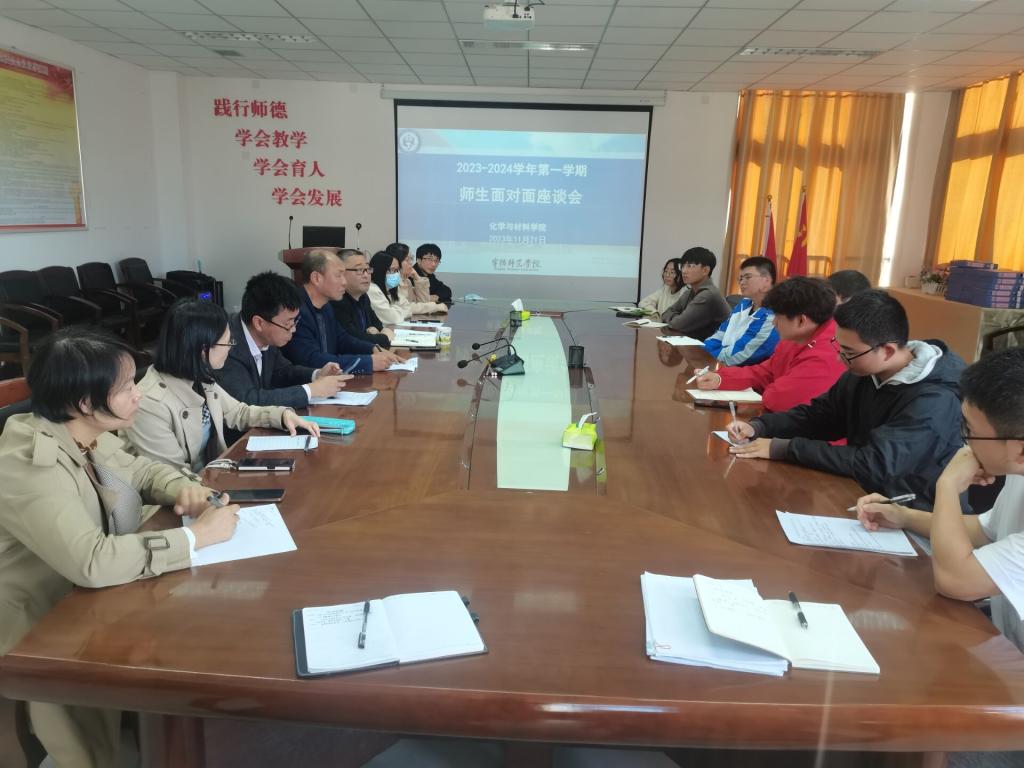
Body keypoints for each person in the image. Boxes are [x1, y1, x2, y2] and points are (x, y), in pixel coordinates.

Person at [0, 327, 239, 768]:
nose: (138, 395)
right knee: (94, 747)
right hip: (45, 616)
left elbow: (140, 470)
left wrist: (184, 490)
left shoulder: (83, 430)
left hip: (95, 593)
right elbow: (91, 561)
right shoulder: (29, 463)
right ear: (84, 402)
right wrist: (195, 537)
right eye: (126, 387)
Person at [856, 348, 1024, 768]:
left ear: (1019, 450)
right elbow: (983, 531)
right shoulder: (1020, 473)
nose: (963, 442)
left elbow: (956, 581)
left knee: (902, 728)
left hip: (1013, 699)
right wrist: (903, 516)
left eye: (970, 432)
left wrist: (948, 485)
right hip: (1003, 656)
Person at [727, 289, 966, 508]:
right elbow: (821, 416)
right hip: (866, 499)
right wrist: (760, 426)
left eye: (849, 352)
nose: (840, 358)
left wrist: (786, 448)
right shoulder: (865, 371)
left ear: (888, 351)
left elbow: (875, 464)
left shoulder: (935, 399)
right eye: (839, 347)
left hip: (917, 513)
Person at [125, 299, 320, 472]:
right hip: (188, 491)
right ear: (203, 350)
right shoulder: (150, 404)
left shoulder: (198, 375)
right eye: (226, 343)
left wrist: (282, 415)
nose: (230, 349)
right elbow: (173, 478)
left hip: (213, 475)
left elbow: (238, 412)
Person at [696, 276, 844, 413]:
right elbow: (765, 372)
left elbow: (779, 400)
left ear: (801, 320)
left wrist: (770, 389)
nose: (773, 323)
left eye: (778, 317)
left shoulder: (830, 351)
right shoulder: (798, 336)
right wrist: (721, 379)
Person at [218, 271, 353, 412]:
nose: (293, 329)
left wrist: (317, 375)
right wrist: (310, 390)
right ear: (259, 323)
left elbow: (284, 372)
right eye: (288, 324)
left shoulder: (266, 336)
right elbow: (247, 401)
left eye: (295, 321)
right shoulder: (226, 344)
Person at [282, 249, 401, 374]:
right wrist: (368, 362)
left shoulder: (326, 306)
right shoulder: (295, 309)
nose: (344, 282)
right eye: (338, 276)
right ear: (316, 278)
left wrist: (373, 349)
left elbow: (342, 339)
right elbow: (310, 359)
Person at [703, 256, 779, 366]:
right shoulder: (744, 303)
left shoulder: (772, 317)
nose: (742, 282)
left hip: (743, 372)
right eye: (740, 278)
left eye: (747, 277)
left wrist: (707, 355)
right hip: (718, 364)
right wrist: (704, 351)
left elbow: (737, 356)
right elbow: (721, 333)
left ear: (766, 281)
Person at [660, 247, 731, 340]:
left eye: (690, 266)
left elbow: (677, 324)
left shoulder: (708, 295)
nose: (683, 271)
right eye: (683, 266)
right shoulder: (689, 292)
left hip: (712, 347)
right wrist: (678, 318)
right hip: (693, 343)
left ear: (705, 270)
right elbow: (665, 313)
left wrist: (676, 318)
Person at [332, 249, 394, 349]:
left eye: (368, 269)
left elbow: (378, 326)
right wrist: (384, 337)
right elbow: (354, 339)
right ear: (341, 273)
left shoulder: (363, 297)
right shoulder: (337, 301)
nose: (366, 275)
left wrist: (376, 333)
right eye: (359, 270)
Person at [388, 242, 448, 315]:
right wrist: (435, 307)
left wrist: (418, 278)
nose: (411, 262)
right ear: (395, 262)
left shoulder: (407, 281)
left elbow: (424, 302)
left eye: (411, 258)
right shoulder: (391, 281)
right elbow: (405, 307)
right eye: (407, 259)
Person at [368, 250, 412, 325]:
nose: (396, 274)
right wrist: (396, 309)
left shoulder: (389, 289)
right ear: (380, 270)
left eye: (397, 270)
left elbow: (408, 308)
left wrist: (393, 309)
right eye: (392, 270)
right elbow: (393, 318)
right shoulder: (372, 290)